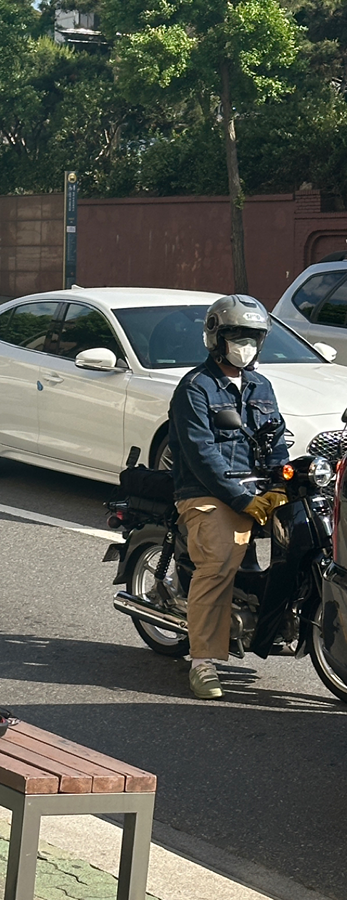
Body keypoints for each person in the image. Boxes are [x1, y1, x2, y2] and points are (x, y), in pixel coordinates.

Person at [168, 294, 289, 700]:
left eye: (253, 337)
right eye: (237, 335)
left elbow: (275, 441)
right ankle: (202, 662)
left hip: (256, 489)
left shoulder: (261, 385)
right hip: (207, 494)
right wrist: (242, 499)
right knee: (219, 561)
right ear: (216, 337)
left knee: (318, 536)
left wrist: (280, 485)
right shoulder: (195, 388)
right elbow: (201, 454)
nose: (246, 344)